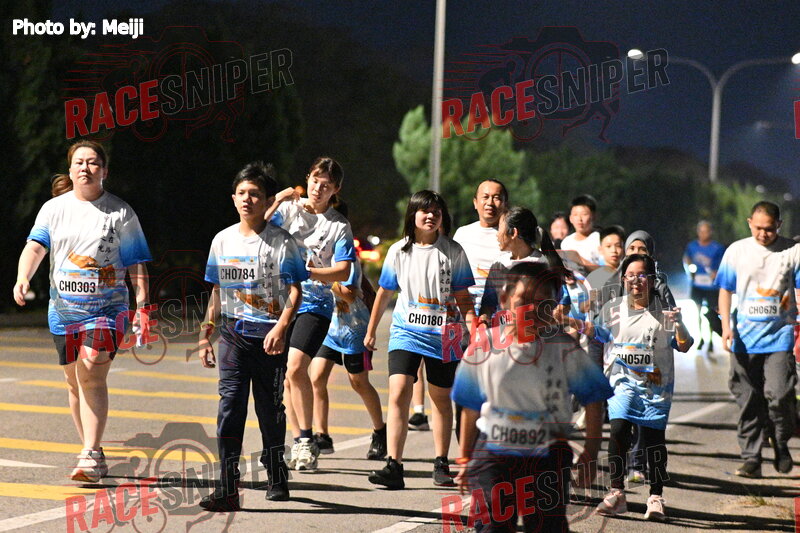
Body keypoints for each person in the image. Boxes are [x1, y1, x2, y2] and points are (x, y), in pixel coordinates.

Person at [13, 140, 151, 483]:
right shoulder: (53, 209)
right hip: (63, 311)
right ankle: (94, 450)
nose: (85, 168)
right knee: (74, 382)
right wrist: (22, 277)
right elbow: (35, 247)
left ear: (104, 171)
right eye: (79, 162)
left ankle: (89, 452)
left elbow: (136, 263)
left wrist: (143, 306)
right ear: (71, 170)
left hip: (108, 309)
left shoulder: (120, 213)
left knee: (90, 369)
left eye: (92, 162)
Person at [452, 261, 612, 532]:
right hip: (494, 456)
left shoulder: (564, 348)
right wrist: (466, 459)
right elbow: (470, 406)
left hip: (548, 458)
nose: (533, 310)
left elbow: (594, 397)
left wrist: (591, 452)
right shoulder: (484, 345)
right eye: (524, 300)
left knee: (546, 527)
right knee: (492, 527)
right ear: (505, 300)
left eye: (542, 303)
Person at [198, 162, 306, 510]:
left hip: (269, 337)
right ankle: (228, 486)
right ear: (233, 198)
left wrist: (281, 327)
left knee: (269, 409)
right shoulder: (222, 240)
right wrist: (205, 334)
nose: (247, 199)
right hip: (232, 335)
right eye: (242, 193)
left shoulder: (281, 242)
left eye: (255, 194)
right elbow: (217, 291)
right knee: (230, 407)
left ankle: (276, 470)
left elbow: (295, 292)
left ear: (268, 200)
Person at [365, 190, 475, 489]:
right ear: (412, 214)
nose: (430, 216)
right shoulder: (398, 251)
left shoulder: (453, 251)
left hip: (447, 334)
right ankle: (394, 465)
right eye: (424, 210)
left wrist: (473, 330)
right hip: (406, 331)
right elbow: (385, 292)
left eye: (436, 212)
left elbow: (464, 298)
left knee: (441, 398)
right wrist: (371, 329)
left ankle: (441, 462)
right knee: (399, 391)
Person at [268, 157, 355, 471]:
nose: (319, 188)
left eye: (326, 185)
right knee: (288, 378)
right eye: (315, 181)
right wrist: (278, 197)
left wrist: (312, 273)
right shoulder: (288, 209)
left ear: (336, 190)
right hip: (280, 302)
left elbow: (343, 270)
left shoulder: (338, 225)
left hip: (315, 303)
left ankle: (307, 439)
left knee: (295, 367)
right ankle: (299, 441)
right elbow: (256, 227)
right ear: (308, 179)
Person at [595, 254, 693, 521]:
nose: (635, 281)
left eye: (642, 275)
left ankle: (656, 497)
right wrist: (572, 325)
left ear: (652, 280)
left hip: (656, 386)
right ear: (623, 279)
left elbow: (684, 345)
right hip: (622, 382)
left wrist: (679, 323)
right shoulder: (612, 309)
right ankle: (616, 493)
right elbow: (596, 334)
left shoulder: (665, 312)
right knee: (618, 430)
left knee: (654, 442)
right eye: (630, 275)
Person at [716, 201, 800, 478]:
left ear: (779, 225)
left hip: (780, 335)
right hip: (744, 337)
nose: (763, 234)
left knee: (780, 394)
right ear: (749, 222)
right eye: (758, 228)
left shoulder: (793, 251)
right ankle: (751, 458)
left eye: (770, 229)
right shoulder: (736, 251)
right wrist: (726, 327)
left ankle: (780, 439)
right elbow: (725, 290)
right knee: (748, 398)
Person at [310, 201, 387, 461]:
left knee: (359, 382)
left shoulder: (347, 256)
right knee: (316, 377)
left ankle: (380, 432)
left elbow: (349, 294)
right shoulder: (317, 252)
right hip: (329, 325)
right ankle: (322, 435)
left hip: (354, 328)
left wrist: (319, 276)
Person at [683, 220, 725, 351]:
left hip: (712, 287)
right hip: (697, 285)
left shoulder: (717, 248)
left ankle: (711, 340)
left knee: (711, 313)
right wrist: (690, 270)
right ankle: (701, 338)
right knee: (698, 312)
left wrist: (717, 273)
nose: (703, 234)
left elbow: (723, 264)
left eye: (706, 231)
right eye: (701, 231)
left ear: (711, 232)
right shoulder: (692, 246)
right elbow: (686, 260)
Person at [560, 194, 601, 271]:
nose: (579, 219)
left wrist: (579, 259)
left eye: (584, 214)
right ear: (570, 218)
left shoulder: (600, 240)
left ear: (594, 216)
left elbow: (607, 271)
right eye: (575, 215)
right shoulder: (566, 243)